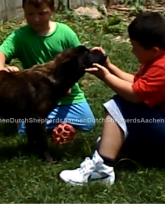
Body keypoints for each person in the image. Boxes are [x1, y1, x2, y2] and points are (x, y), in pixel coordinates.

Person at [59, 11, 165, 186]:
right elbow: (138, 83)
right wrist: (109, 66)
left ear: (154, 50)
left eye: (135, 47)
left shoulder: (162, 68)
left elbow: (135, 95)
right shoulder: (157, 60)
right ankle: (132, 152)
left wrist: (105, 76)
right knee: (112, 136)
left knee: (121, 104)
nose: (132, 51)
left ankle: (101, 171)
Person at [0, 0, 96, 135]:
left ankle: (43, 122)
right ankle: (36, 122)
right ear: (24, 11)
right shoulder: (20, 37)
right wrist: (1, 71)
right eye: (30, 14)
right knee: (25, 130)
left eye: (42, 13)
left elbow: (80, 62)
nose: (36, 19)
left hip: (68, 96)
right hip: (37, 97)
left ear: (52, 9)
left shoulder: (65, 33)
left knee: (89, 123)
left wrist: (66, 85)